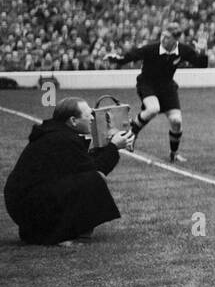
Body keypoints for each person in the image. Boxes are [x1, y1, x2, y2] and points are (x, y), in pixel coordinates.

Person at [4, 97, 132, 245]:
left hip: (24, 203)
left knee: (88, 179)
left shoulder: (57, 133)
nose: (92, 118)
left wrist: (109, 147)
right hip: (28, 206)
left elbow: (85, 163)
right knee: (93, 180)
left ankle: (44, 232)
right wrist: (114, 147)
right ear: (73, 121)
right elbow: (95, 169)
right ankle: (58, 235)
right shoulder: (63, 138)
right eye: (88, 115)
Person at [107, 23, 209, 163]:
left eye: (167, 37)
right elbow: (130, 56)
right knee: (153, 109)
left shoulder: (182, 50)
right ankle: (132, 134)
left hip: (167, 87)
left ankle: (174, 153)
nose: (163, 39)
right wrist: (115, 58)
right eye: (162, 35)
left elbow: (201, 64)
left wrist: (203, 51)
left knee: (176, 121)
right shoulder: (152, 49)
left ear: (176, 39)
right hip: (147, 84)